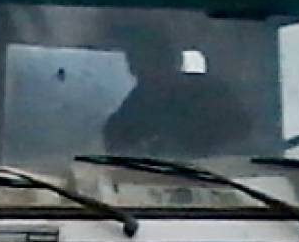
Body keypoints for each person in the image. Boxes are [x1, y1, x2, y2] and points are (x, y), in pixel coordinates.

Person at [101, 37, 256, 157]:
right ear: (133, 68)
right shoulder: (130, 113)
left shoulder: (212, 93)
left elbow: (245, 137)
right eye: (143, 64)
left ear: (175, 62)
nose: (153, 71)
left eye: (158, 62)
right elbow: (116, 154)